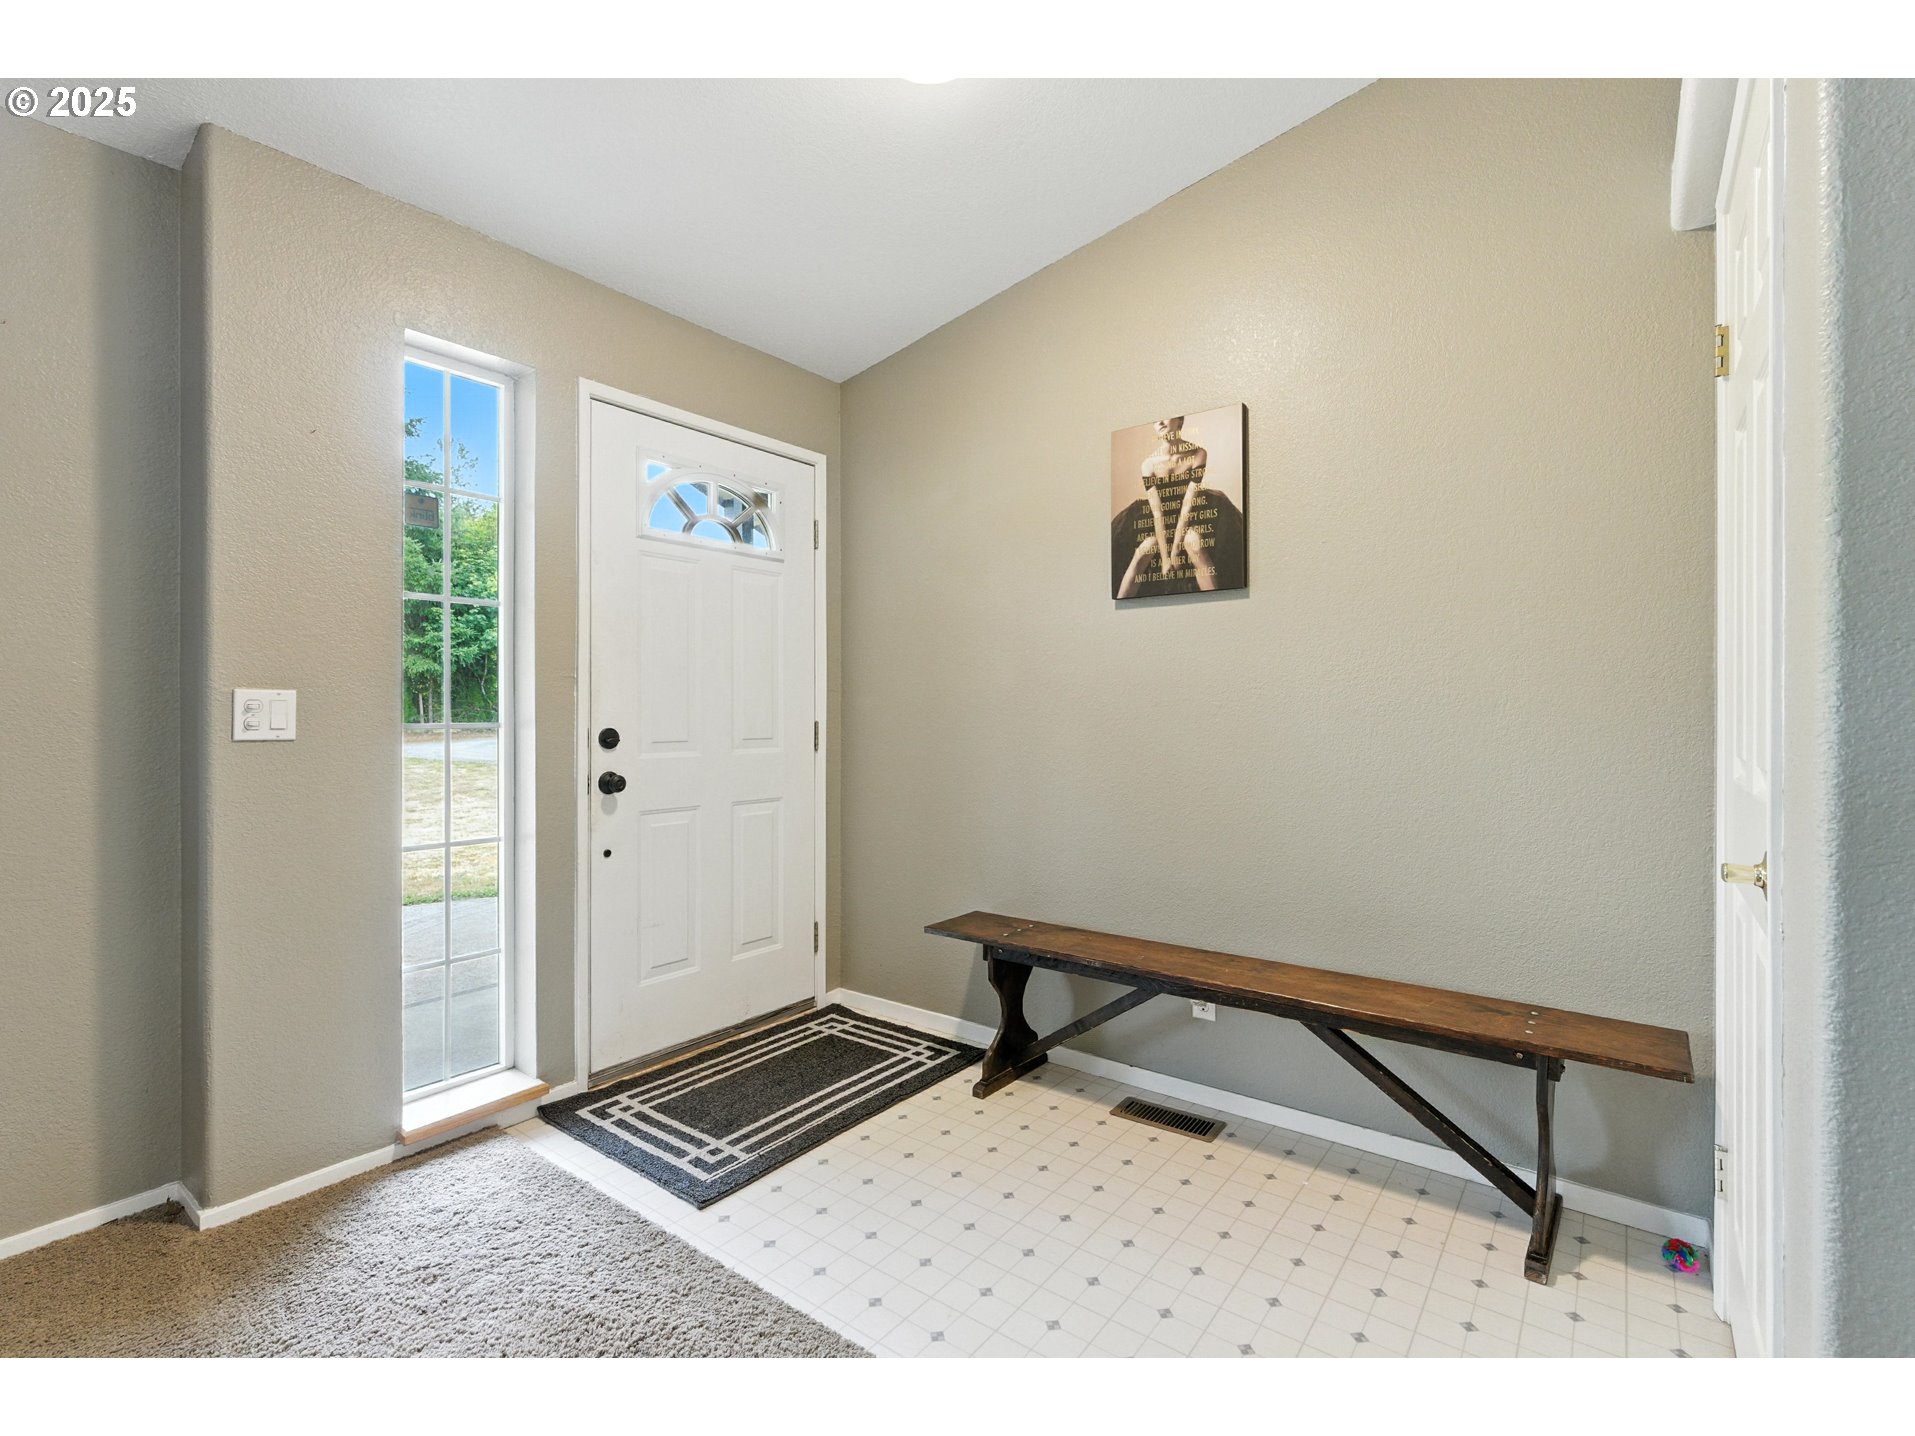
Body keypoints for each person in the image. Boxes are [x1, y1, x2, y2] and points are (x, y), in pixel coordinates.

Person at [1111, 415, 1246, 598]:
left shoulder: (1198, 454)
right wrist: (1165, 558)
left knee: (1194, 544)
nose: (1159, 423)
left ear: (1180, 421)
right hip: (1159, 518)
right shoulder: (1148, 465)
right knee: (1145, 549)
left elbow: (1188, 505)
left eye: (1164, 417)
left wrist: (1175, 552)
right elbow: (1157, 513)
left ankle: (1218, 607)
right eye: (1154, 420)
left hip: (1192, 513)